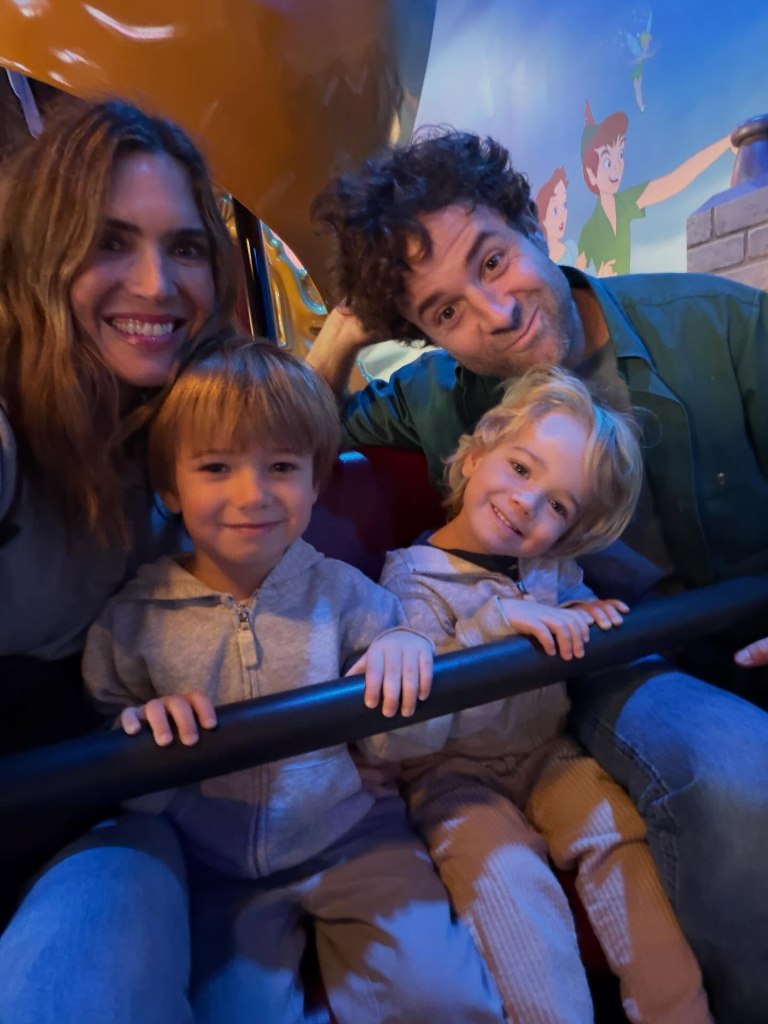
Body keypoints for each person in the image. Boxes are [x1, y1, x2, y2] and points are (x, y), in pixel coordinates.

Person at [306, 127, 768, 1024]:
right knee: (736, 773)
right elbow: (282, 437)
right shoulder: (439, 396)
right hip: (605, 671)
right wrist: (349, 331)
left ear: (532, 224)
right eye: (443, 312)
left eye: (492, 259)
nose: (494, 313)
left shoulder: (720, 325)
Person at [82, 337, 505, 1024]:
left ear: (314, 483)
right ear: (169, 489)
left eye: (281, 466)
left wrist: (404, 647)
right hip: (212, 866)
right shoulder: (134, 619)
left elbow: (402, 696)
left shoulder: (343, 592)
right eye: (216, 467)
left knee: (444, 999)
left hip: (353, 835)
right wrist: (136, 733)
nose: (253, 495)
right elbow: (108, 728)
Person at [371, 367, 713, 1023]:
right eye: (521, 469)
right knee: (509, 883)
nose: (529, 504)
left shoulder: (548, 568)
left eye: (558, 505)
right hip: (451, 776)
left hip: (547, 755)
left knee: (622, 838)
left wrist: (591, 607)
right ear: (473, 457)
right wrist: (496, 626)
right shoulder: (409, 578)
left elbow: (568, 608)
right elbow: (415, 697)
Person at [0, 98, 237, 1024]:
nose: (156, 282)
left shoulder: (164, 436)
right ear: (39, 255)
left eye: (184, 248)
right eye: (110, 242)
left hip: (94, 815)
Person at [576, 101, 730, 275]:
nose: (617, 166)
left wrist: (725, 143)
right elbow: (569, 285)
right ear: (591, 174)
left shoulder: (626, 202)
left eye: (620, 154)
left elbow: (676, 180)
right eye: (607, 161)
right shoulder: (589, 230)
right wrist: (598, 282)